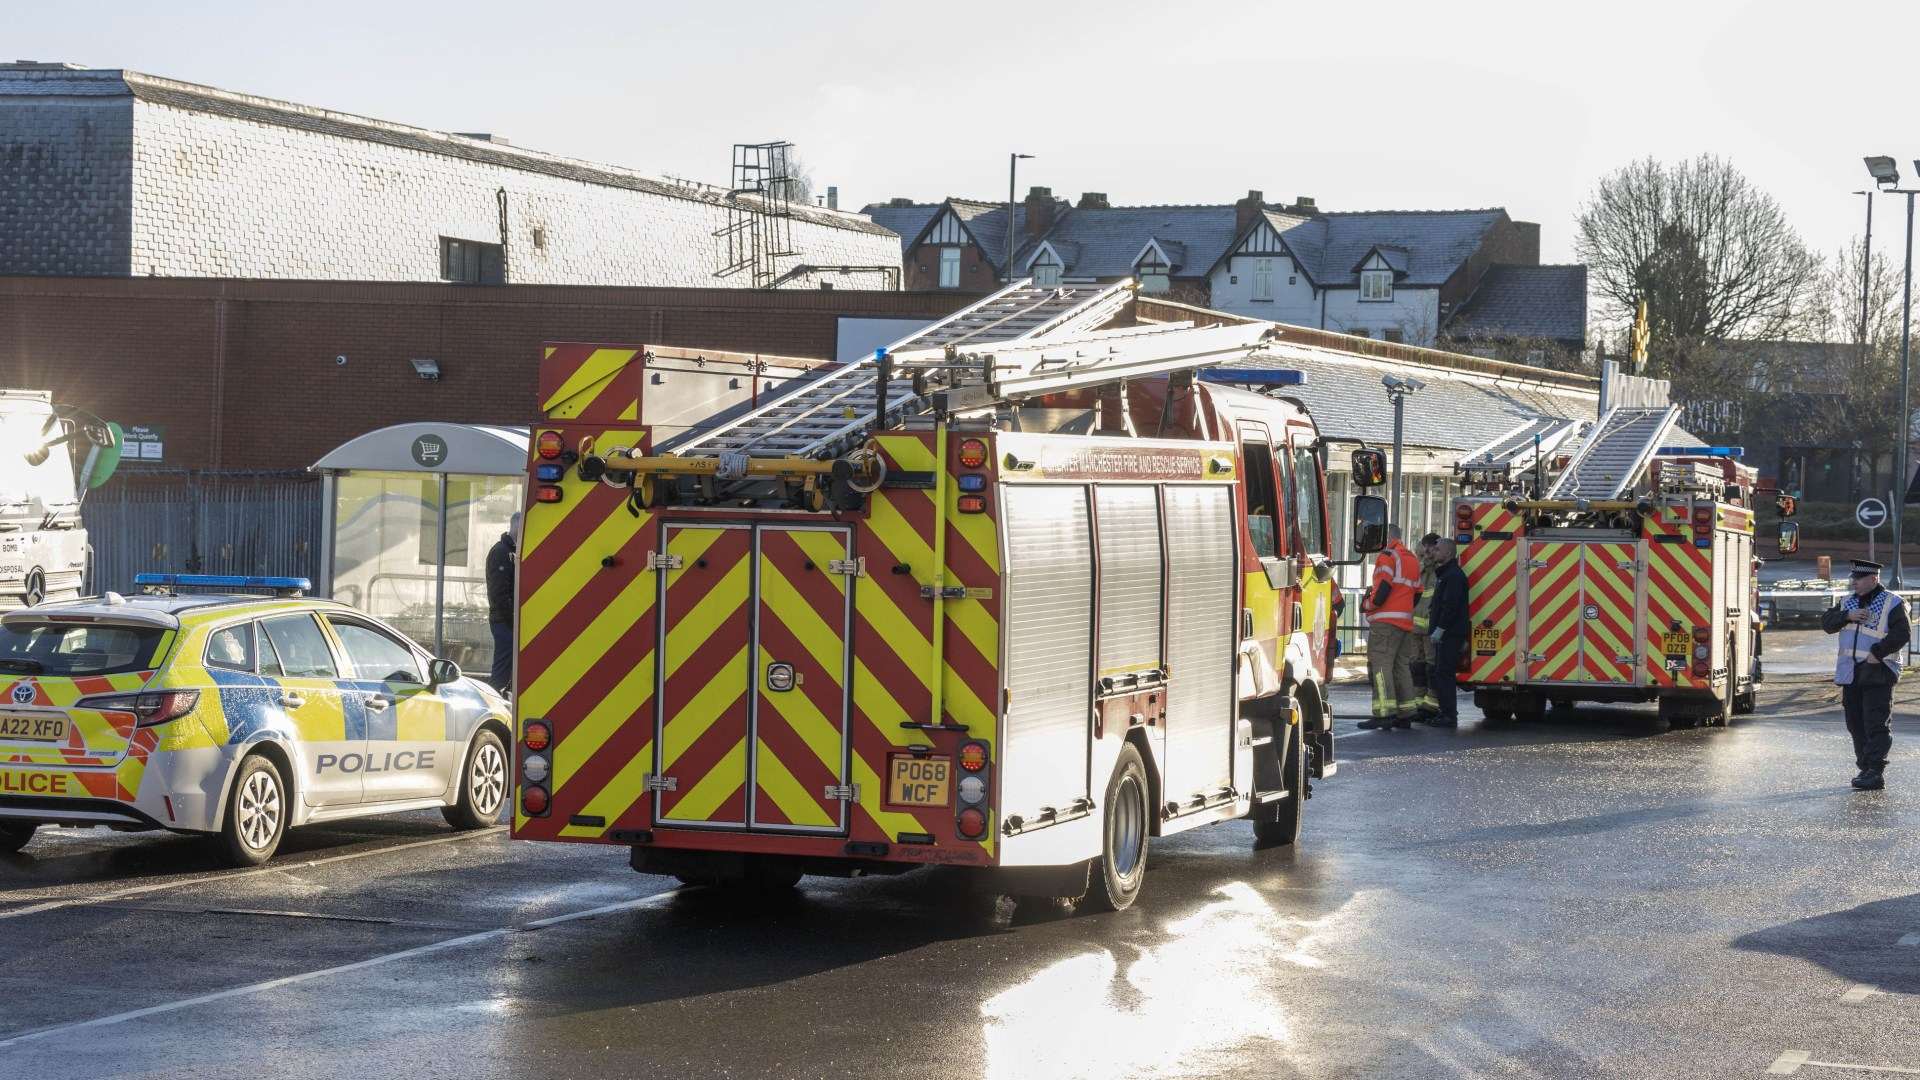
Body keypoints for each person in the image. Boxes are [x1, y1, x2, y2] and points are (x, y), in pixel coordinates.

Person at [1821, 559, 1909, 790]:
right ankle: (1865, 767)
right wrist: (1846, 616)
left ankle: (1875, 771)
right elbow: (1827, 623)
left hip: (1879, 671)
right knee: (1855, 723)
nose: (1854, 582)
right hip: (1851, 673)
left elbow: (1902, 633)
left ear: (1873, 579)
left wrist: (1877, 653)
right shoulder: (1847, 602)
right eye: (1853, 578)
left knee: (1875, 723)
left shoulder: (1892, 602)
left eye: (1858, 579)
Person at [1358, 524, 1422, 730]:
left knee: (1381, 666)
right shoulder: (1411, 558)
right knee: (1401, 666)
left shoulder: (1387, 556)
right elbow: (1417, 593)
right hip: (1405, 622)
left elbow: (1383, 588)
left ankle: (1384, 713)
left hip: (1385, 623)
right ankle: (1406, 713)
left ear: (1387, 537)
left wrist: (1368, 605)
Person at [1425, 537, 1471, 729]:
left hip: (1449, 634)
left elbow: (1449, 607)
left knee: (1444, 673)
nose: (1434, 551)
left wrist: (1440, 629)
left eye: (1438, 549)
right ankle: (1445, 713)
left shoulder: (1453, 576)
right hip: (1446, 633)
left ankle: (1449, 715)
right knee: (1441, 673)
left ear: (1449, 554)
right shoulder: (1446, 574)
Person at [1408, 533, 1442, 723]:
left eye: (1431, 548)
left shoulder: (1439, 569)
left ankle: (1431, 706)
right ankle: (1418, 703)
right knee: (1416, 666)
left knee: (1431, 667)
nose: (1428, 551)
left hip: (1430, 628)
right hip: (1415, 626)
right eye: (1425, 547)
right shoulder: (1421, 567)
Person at [486, 514, 520, 696]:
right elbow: (499, 593)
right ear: (515, 526)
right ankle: (491, 699)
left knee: (510, 669)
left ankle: (502, 698)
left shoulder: (511, 551)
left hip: (507, 621)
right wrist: (512, 621)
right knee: (501, 671)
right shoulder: (501, 552)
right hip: (504, 622)